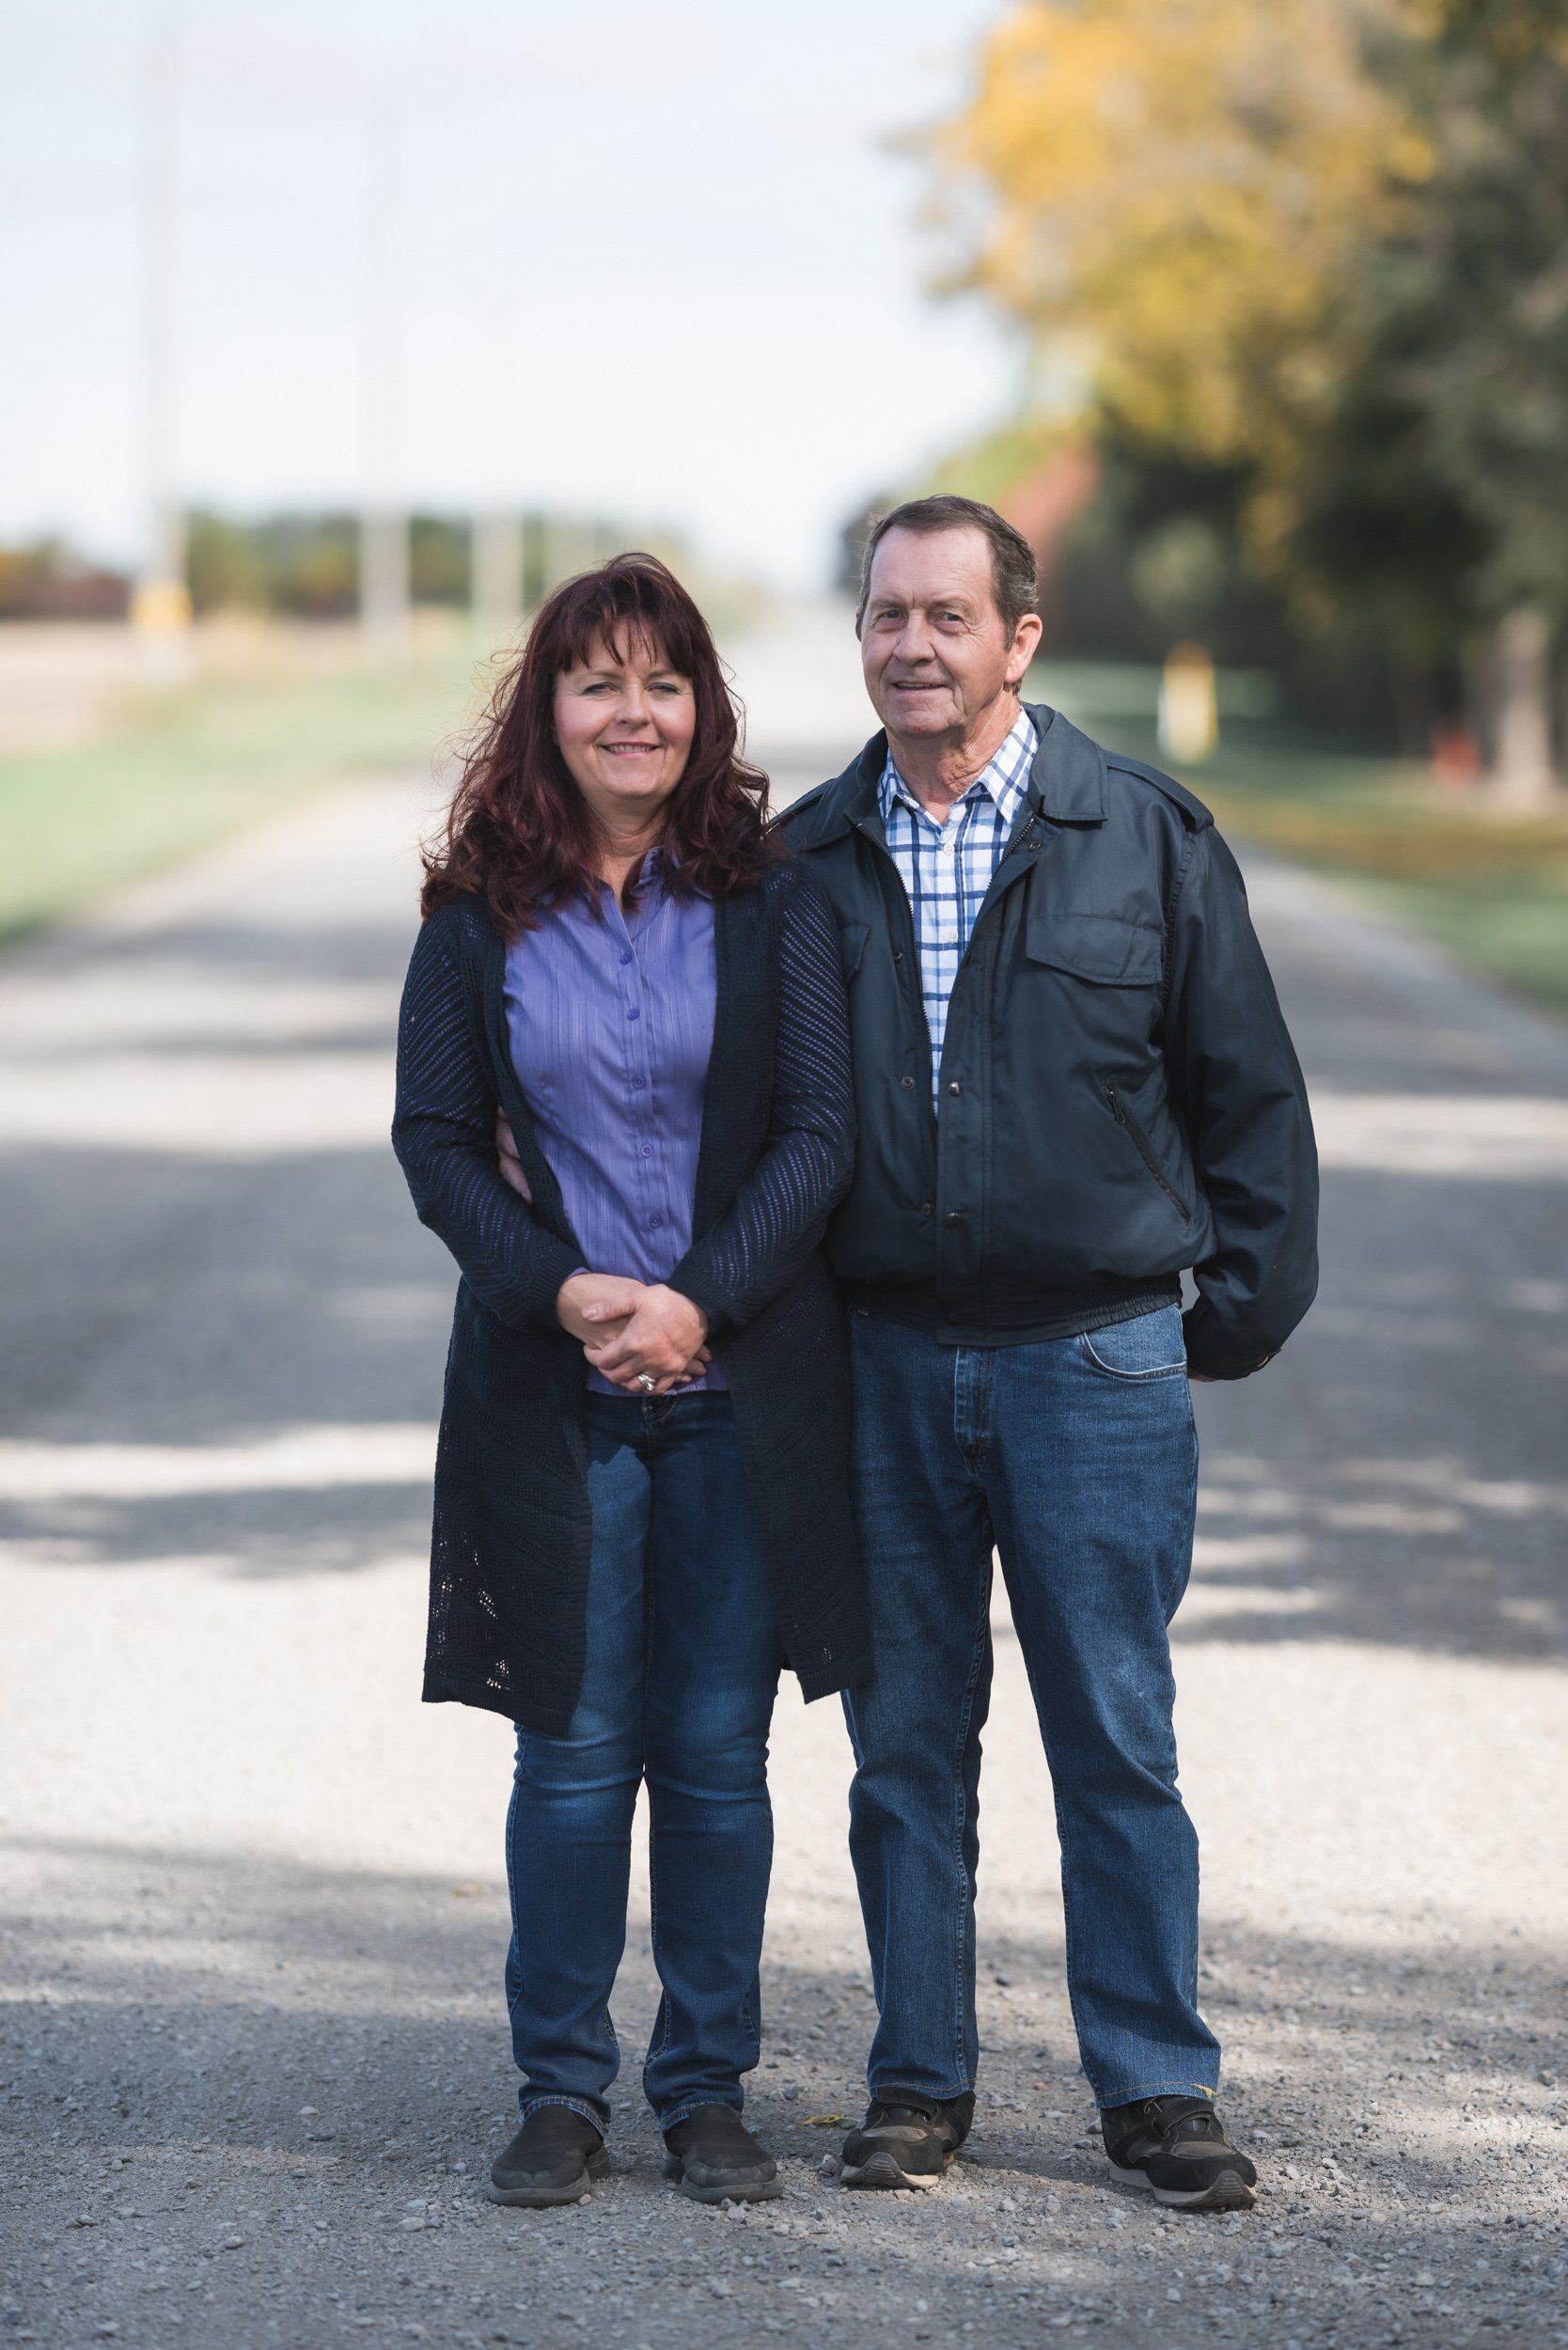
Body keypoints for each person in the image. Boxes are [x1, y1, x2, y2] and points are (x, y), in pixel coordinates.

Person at [781, 494, 1319, 2213]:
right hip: (882, 1365)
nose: (912, 646)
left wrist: (1214, 1325)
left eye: (948, 617)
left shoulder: (1146, 833)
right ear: (859, 637)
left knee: (1116, 1735)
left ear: (1022, 637)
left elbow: (1250, 1103)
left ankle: (1156, 2086)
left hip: (1092, 1365)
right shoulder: (804, 862)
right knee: (904, 1751)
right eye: (885, 617)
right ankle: (919, 2080)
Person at [392, 554, 865, 2211]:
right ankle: (560, 2092)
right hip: (555, 1383)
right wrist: (569, 1290)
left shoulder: (775, 898)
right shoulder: (474, 920)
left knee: (720, 1759)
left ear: (702, 707)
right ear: (549, 709)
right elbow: (437, 1147)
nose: (634, 710)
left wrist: (696, 1307)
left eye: (663, 680)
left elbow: (821, 1138)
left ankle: (709, 2092)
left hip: (741, 1390)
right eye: (598, 679)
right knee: (577, 1755)